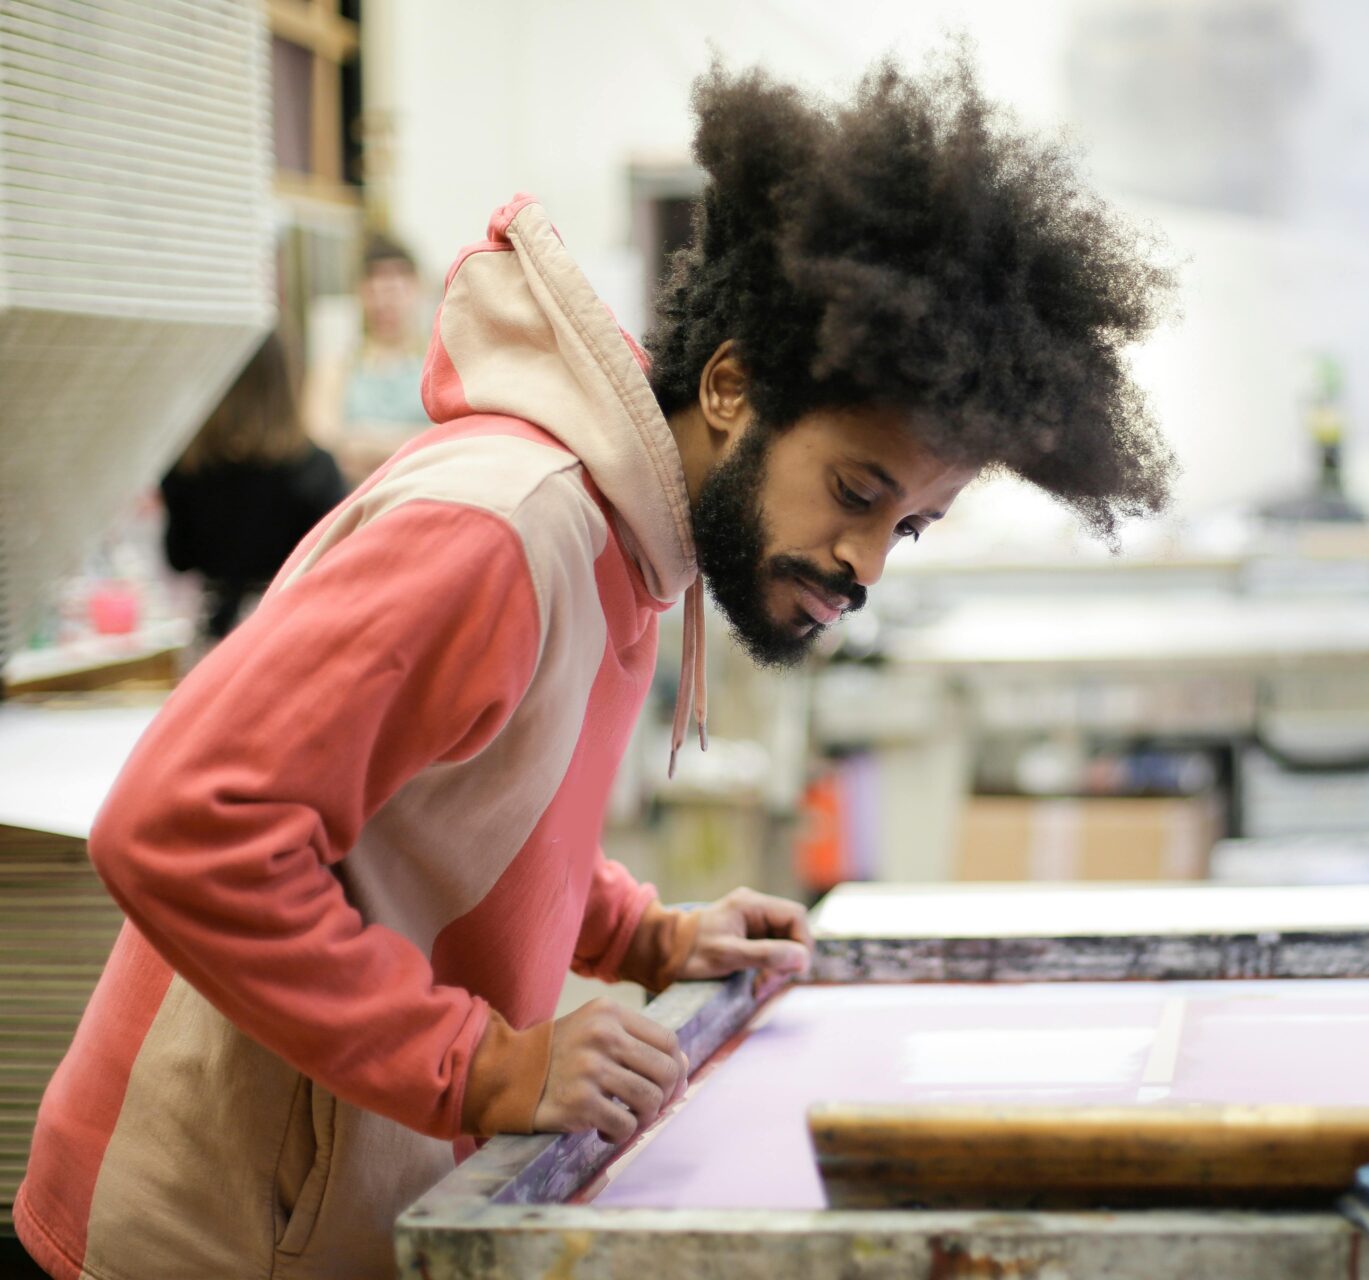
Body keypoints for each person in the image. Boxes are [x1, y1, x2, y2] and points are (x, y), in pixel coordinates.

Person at [17, 49, 1176, 1280]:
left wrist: (651, 936)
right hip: (191, 1230)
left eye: (909, 526)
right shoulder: (500, 529)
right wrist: (480, 1061)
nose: (867, 565)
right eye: (855, 491)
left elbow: (474, 810)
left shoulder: (629, 543)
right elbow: (177, 825)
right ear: (731, 387)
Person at [160, 332, 348, 640]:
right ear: (285, 378)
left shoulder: (189, 465)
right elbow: (338, 560)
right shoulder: (312, 467)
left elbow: (179, 557)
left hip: (214, 636)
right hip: (290, 631)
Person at [305, 233, 436, 485]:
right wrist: (411, 443)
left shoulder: (439, 364)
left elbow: (451, 438)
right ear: (361, 294)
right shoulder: (335, 367)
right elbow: (320, 442)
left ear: (417, 289)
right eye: (375, 290)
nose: (386, 302)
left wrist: (360, 442)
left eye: (396, 289)